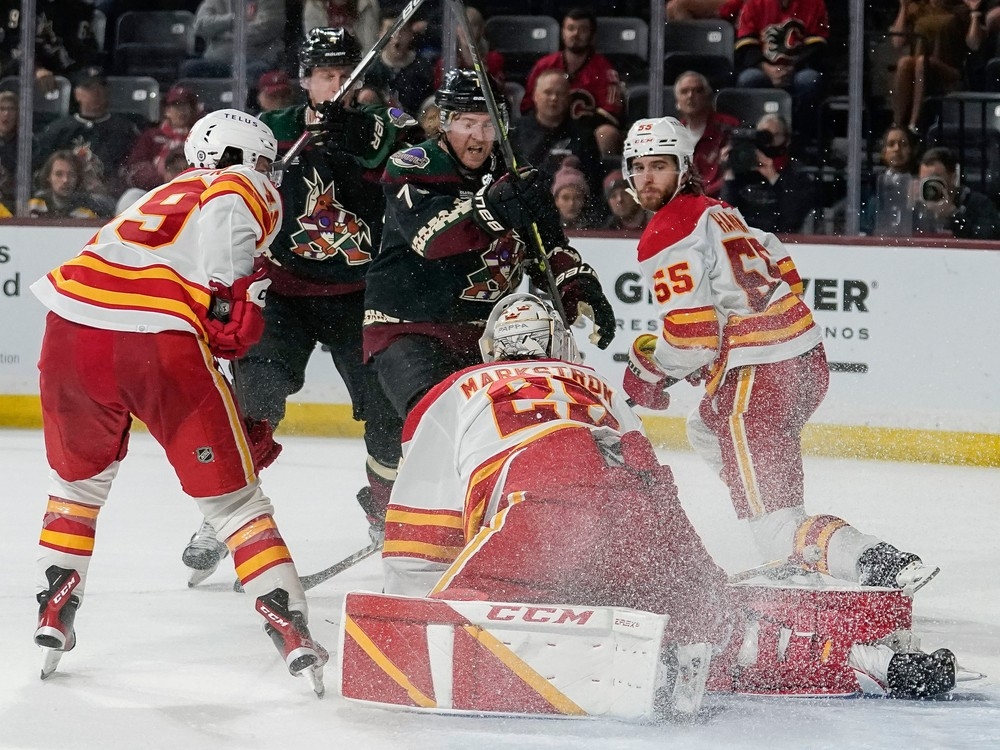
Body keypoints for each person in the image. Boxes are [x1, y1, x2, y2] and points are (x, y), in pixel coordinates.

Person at [376, 292, 958, 716]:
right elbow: (636, 465)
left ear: (489, 348)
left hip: (541, 501)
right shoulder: (594, 381)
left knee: (477, 606)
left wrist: (412, 597)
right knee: (715, 615)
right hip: (645, 502)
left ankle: (639, 658)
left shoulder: (451, 391)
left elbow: (421, 528)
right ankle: (869, 661)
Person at [28, 109, 327, 692]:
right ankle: (289, 628)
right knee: (237, 506)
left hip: (69, 330)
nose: (270, 174)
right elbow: (226, 284)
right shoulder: (238, 186)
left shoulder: (157, 194)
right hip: (158, 343)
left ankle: (53, 608)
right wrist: (229, 303)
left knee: (75, 490)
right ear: (242, 155)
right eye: (263, 161)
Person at [620, 116, 940, 596]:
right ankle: (773, 511)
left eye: (659, 166)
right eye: (639, 167)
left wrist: (646, 369)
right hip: (805, 361)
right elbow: (779, 261)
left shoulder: (667, 232)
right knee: (705, 427)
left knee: (774, 523)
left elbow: (692, 341)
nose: (647, 178)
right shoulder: (718, 212)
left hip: (759, 379)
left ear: (683, 168)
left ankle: (866, 557)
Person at [179, 28, 416, 583]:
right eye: (325, 74)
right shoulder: (273, 133)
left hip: (362, 296)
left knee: (386, 410)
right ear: (305, 79)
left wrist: (350, 132)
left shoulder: (381, 123)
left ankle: (387, 506)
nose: (335, 84)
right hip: (284, 295)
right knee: (252, 405)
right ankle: (222, 518)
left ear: (359, 79)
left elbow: (393, 138)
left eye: (344, 74)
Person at [363, 68, 617, 447]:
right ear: (445, 123)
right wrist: (491, 207)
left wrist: (576, 284)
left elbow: (548, 248)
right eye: (467, 123)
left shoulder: (518, 175)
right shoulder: (411, 165)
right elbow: (430, 238)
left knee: (500, 434)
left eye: (487, 125)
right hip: (409, 326)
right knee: (432, 430)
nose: (479, 138)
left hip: (485, 336)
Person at [521, 8, 624, 156]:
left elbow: (611, 113)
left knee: (607, 133)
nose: (575, 34)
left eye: (582, 29)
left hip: (584, 133)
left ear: (592, 34)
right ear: (562, 32)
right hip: (546, 126)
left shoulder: (604, 69)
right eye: (570, 28)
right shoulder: (544, 65)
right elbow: (527, 105)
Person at [508, 68, 606, 224]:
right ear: (535, 96)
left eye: (560, 94)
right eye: (548, 92)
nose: (553, 98)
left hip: (574, 217)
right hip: (526, 213)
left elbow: (594, 182)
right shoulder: (516, 132)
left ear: (568, 98)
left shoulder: (583, 135)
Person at [35, 66, 141, 202]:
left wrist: (111, 188)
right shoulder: (59, 129)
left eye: (100, 87)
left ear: (107, 91)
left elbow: (129, 169)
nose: (96, 93)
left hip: (106, 198)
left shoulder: (124, 129)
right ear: (76, 94)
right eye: (88, 88)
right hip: (63, 198)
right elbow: (42, 167)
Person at [734, 0, 829, 139]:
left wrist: (792, 68)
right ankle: (752, 140)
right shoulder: (753, 3)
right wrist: (766, 68)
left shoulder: (815, 3)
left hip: (799, 69)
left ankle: (806, 140)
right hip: (763, 69)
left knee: (809, 80)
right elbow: (745, 43)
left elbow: (817, 45)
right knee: (749, 79)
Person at [889, 0, 983, 136]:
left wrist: (974, 13)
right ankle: (897, 125)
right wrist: (903, 7)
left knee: (922, 62)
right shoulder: (919, 7)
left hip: (951, 71)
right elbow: (897, 42)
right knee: (904, 62)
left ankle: (914, 125)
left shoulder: (961, 7)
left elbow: (974, 44)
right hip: (917, 69)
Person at [720, 113, 817, 234]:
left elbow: (793, 218)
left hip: (780, 238)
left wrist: (774, 178)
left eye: (775, 135)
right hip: (744, 236)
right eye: (764, 135)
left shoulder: (797, 172)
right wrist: (729, 176)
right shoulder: (740, 167)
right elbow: (726, 217)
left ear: (787, 139)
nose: (769, 142)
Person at [182, 0, 286, 83]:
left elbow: (265, 29)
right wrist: (236, 18)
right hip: (218, 61)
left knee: (253, 72)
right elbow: (199, 26)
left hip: (256, 60)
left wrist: (220, 35)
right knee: (189, 68)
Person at [673, 71, 739, 198]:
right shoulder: (674, 133)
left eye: (697, 91)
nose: (690, 96)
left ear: (707, 96)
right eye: (684, 91)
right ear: (677, 102)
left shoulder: (728, 126)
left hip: (720, 200)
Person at [125, 84, 202, 192]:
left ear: (193, 110)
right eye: (176, 105)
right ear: (166, 110)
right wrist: (162, 180)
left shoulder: (202, 137)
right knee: (132, 195)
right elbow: (135, 167)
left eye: (186, 105)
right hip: (153, 191)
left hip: (193, 191)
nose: (181, 110)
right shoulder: (151, 136)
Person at [912, 146, 1000, 239]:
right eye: (924, 179)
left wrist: (953, 214)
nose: (929, 184)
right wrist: (910, 208)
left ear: (953, 177)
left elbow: (990, 237)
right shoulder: (918, 205)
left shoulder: (979, 204)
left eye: (935, 178)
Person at [362, 9, 435, 115]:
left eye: (403, 30)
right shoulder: (370, 68)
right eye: (390, 30)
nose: (397, 36)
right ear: (380, 34)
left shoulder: (422, 67)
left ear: (411, 34)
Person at [861, 124, 920, 236]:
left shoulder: (919, 182)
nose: (897, 149)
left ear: (912, 150)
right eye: (891, 144)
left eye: (903, 144)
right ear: (883, 152)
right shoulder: (872, 184)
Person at [431, 5, 505, 89]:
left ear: (481, 30)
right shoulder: (444, 63)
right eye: (462, 24)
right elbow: (439, 92)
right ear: (456, 29)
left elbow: (498, 90)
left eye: (472, 25)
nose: (466, 30)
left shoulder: (493, 59)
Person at [28, 150, 114, 219]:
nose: (65, 180)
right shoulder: (33, 206)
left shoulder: (88, 212)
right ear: (48, 177)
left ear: (78, 178)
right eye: (59, 174)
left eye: (71, 175)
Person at [303, 0, 380, 51]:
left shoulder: (367, 3)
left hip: (359, 64)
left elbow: (370, 47)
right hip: (328, 65)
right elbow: (315, 47)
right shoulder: (314, 5)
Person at [551, 161, 594, 230]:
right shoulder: (546, 229)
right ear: (556, 201)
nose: (571, 203)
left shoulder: (597, 228)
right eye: (565, 198)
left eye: (577, 198)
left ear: (584, 201)